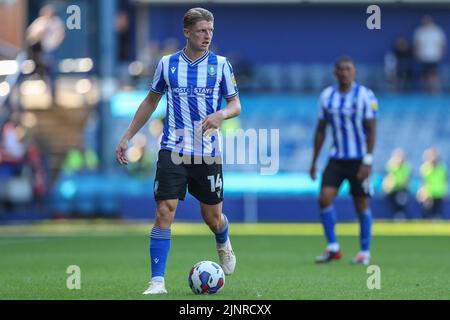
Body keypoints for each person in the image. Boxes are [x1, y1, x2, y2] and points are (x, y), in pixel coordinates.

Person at [116, 8, 241, 295]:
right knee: (164, 210)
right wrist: (127, 136)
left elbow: (236, 105)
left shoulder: (221, 65)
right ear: (187, 32)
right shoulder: (167, 64)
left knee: (212, 218)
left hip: (207, 153)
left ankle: (222, 238)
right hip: (172, 149)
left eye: (210, 30)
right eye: (201, 30)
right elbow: (150, 101)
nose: (207, 35)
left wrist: (221, 115)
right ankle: (157, 281)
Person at [309, 56, 378, 266]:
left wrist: (367, 160)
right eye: (340, 69)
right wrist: (314, 161)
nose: (344, 72)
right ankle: (333, 248)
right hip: (337, 159)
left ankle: (364, 252)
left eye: (348, 69)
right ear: (335, 72)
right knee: (324, 199)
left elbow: (372, 129)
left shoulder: (365, 95)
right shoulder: (327, 96)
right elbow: (321, 129)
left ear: (354, 72)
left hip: (359, 160)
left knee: (361, 205)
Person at [25, 4, 65, 98]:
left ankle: (53, 94)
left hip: (52, 50)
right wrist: (38, 35)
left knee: (52, 71)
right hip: (40, 51)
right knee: (42, 71)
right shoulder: (39, 22)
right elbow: (30, 36)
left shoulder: (56, 22)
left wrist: (54, 44)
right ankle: (45, 91)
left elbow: (60, 35)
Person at [413, 15, 447, 93]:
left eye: (427, 20)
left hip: (434, 56)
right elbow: (417, 44)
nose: (425, 22)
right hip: (423, 57)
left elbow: (442, 44)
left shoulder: (437, 30)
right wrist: (417, 54)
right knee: (424, 75)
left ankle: (436, 91)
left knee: (434, 75)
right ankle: (426, 91)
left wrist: (442, 54)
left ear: (431, 21)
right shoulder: (419, 31)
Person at [416, 148, 447, 219]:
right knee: (428, 212)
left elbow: (444, 181)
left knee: (437, 213)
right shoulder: (425, 168)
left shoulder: (442, 168)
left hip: (439, 193)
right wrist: (421, 192)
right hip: (429, 194)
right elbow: (423, 182)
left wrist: (445, 191)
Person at [382, 148, 412, 219]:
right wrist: (389, 186)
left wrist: (399, 185)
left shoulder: (406, 167)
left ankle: (400, 214)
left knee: (401, 197)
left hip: (401, 189)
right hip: (392, 189)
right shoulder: (390, 166)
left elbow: (406, 182)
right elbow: (387, 179)